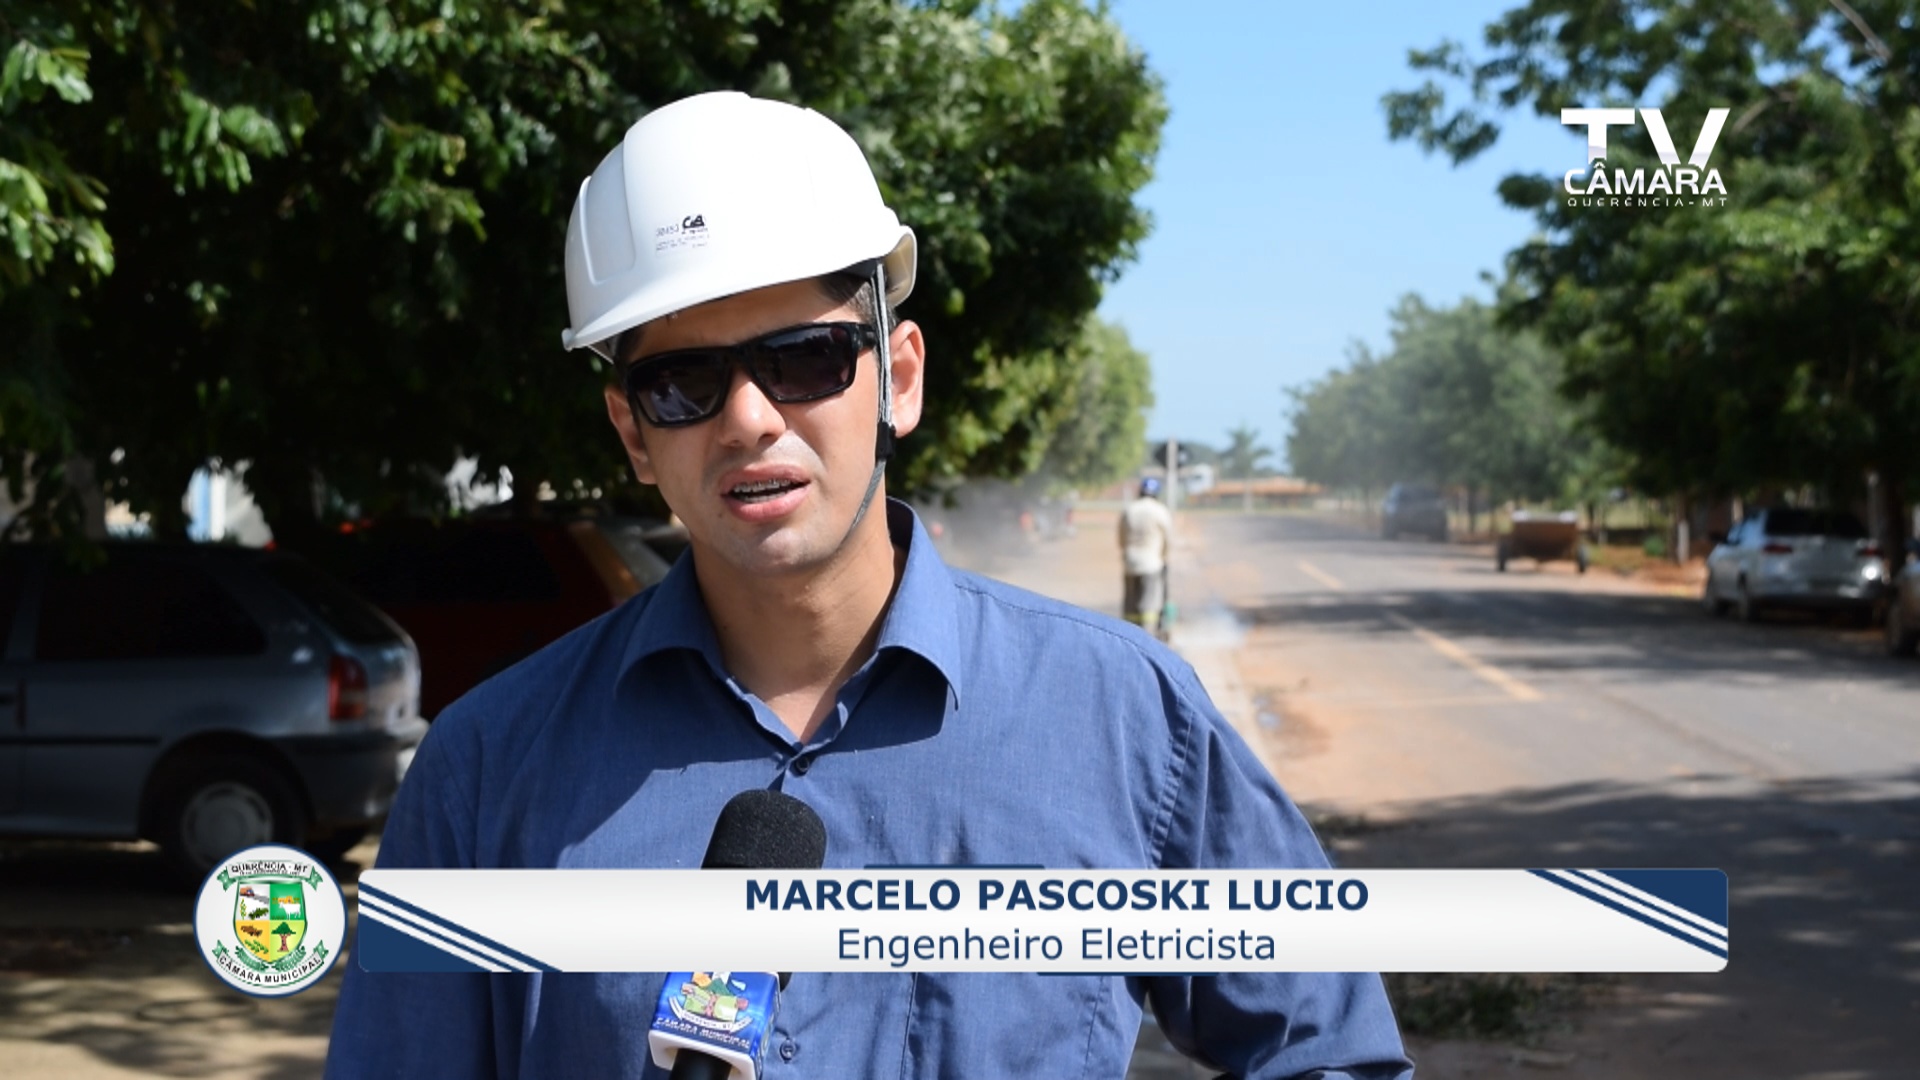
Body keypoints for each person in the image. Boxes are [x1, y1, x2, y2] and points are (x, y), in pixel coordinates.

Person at [325, 91, 1410, 1079]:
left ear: (898, 378)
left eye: (804, 358)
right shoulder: (483, 773)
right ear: (633, 433)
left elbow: (1330, 1052)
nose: (749, 419)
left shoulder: (1123, 718)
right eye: (683, 383)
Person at [1121, 475, 1175, 635]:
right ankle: (1147, 637)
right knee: (1149, 605)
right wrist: (1164, 557)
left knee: (1131, 605)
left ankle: (1128, 636)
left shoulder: (1130, 510)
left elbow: (1121, 538)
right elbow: (1168, 539)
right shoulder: (1160, 511)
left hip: (1130, 563)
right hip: (1152, 564)